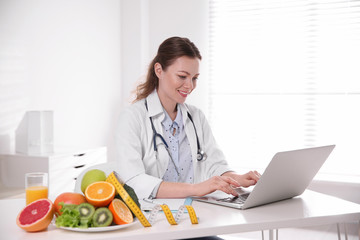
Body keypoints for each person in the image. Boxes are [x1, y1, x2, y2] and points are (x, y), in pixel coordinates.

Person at [115, 36, 260, 200]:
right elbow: (133, 181)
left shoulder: (196, 117)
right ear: (159, 70)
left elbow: (216, 164)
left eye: (194, 78)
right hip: (153, 216)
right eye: (183, 76)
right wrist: (196, 189)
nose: (190, 86)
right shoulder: (132, 118)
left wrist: (237, 179)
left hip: (196, 212)